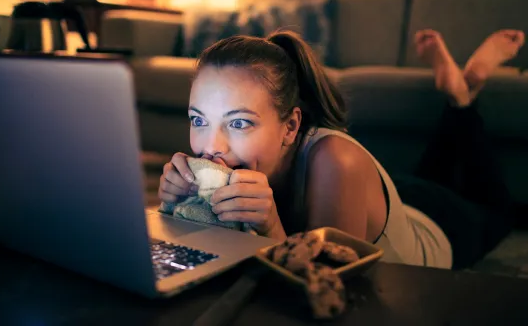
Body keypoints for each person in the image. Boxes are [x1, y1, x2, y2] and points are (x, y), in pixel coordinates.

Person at [157, 27, 525, 270]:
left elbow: (328, 285)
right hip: (401, 194)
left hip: (443, 225)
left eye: (238, 123)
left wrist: (269, 224)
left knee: (495, 207)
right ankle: (458, 97)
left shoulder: (337, 161)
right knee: (432, 169)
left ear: (291, 126)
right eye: (198, 119)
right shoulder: (224, 155)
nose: (210, 146)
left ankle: (463, 97)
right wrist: (174, 209)